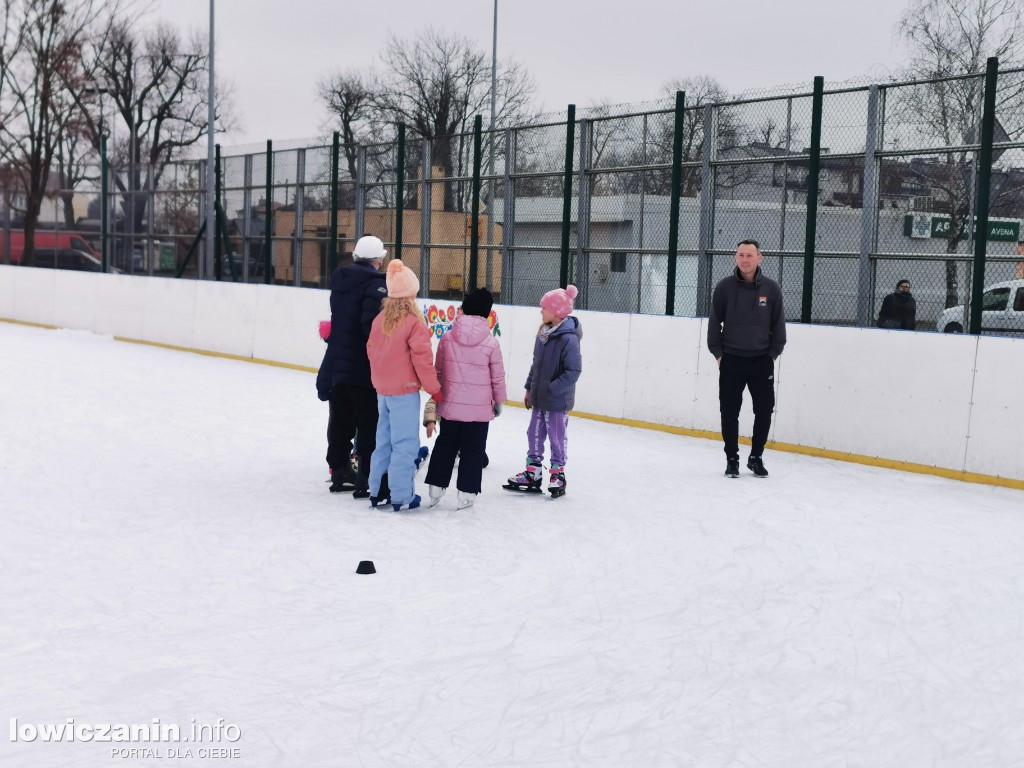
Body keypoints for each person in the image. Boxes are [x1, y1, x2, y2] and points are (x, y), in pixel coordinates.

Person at [315, 236, 389, 497]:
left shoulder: (342, 281)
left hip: (336, 362)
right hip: (362, 367)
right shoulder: (376, 286)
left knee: (340, 420)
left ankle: (339, 469)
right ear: (378, 260)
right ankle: (366, 476)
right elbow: (371, 327)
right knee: (368, 422)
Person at [366, 259, 442, 511]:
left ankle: (376, 490)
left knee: (384, 442)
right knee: (405, 444)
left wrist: (380, 379)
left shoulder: (380, 320)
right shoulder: (413, 322)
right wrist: (435, 389)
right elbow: (422, 360)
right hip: (405, 391)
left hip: (383, 392)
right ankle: (401, 494)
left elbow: (371, 352)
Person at [707, 240, 786, 479]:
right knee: (729, 411)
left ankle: (756, 457)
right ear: (736, 257)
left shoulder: (771, 289)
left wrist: (772, 354)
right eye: (741, 254)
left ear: (759, 258)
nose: (745, 259)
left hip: (761, 360)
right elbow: (714, 323)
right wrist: (718, 354)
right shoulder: (724, 287)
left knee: (764, 410)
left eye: (749, 255)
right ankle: (732, 458)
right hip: (731, 360)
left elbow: (778, 325)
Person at [423, 288, 506, 510]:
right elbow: (497, 378)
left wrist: (438, 398)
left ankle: (435, 487)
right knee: (473, 449)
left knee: (445, 446)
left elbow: (438, 372)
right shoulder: (491, 343)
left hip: (450, 408)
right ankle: (467, 493)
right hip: (479, 413)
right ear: (487, 313)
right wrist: (498, 402)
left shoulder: (447, 338)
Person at [504, 284, 582, 498]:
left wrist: (552, 389)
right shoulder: (544, 333)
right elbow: (536, 364)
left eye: (544, 308)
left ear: (557, 311)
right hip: (539, 397)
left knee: (557, 437)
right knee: (534, 433)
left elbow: (573, 370)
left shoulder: (568, 338)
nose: (540, 311)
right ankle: (533, 472)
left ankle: (558, 474)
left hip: (556, 400)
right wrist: (530, 387)